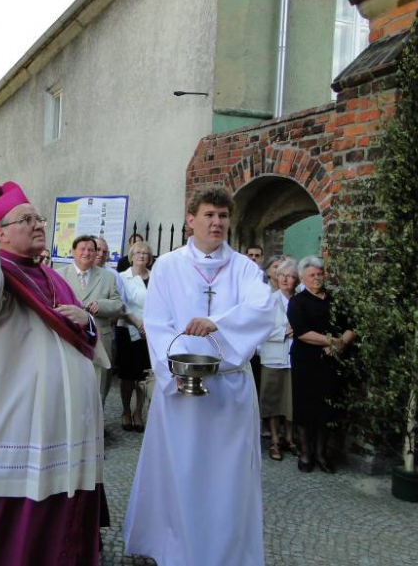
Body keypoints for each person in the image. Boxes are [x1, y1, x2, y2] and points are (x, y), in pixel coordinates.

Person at [0, 170, 104, 565]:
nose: (38, 225)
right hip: (20, 417)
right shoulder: (0, 276)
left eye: (38, 218)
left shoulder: (50, 275)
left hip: (65, 421)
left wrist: (88, 321)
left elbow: (82, 334)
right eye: (26, 219)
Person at [123, 186, 275, 566]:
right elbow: (157, 324)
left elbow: (263, 311)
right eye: (209, 215)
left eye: (223, 216)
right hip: (182, 388)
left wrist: (217, 323)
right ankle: (172, 547)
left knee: (228, 477)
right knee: (181, 470)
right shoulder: (169, 266)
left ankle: (225, 553)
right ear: (190, 219)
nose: (217, 222)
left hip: (230, 389)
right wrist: (174, 373)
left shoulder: (243, 267)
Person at [288, 256, 354, 474]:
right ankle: (306, 453)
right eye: (312, 275)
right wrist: (331, 341)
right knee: (306, 407)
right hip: (306, 362)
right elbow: (302, 332)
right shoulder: (298, 302)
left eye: (320, 274)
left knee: (327, 407)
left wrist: (339, 344)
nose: (317, 278)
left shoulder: (335, 300)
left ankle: (321, 453)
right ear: (303, 278)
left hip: (331, 361)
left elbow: (350, 326)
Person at [58, 235, 122, 407]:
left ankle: (96, 426)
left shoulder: (107, 277)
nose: (87, 253)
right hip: (69, 337)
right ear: (73, 252)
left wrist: (100, 305)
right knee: (68, 381)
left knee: (98, 382)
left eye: (91, 250)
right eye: (82, 249)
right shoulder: (59, 275)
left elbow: (118, 305)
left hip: (100, 338)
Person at [260, 258, 299, 461]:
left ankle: (290, 438)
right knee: (273, 399)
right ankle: (275, 439)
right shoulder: (269, 300)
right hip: (273, 357)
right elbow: (260, 328)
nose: (285, 279)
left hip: (294, 358)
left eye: (291, 276)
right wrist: (282, 332)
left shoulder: (300, 300)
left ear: (296, 280)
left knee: (291, 400)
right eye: (282, 275)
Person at [117, 241, 152, 433]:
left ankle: (138, 412)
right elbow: (121, 304)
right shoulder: (122, 277)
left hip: (149, 333)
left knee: (143, 375)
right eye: (138, 252)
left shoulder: (155, 277)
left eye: (146, 253)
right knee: (128, 375)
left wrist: (149, 326)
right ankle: (125, 411)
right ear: (131, 255)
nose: (142, 255)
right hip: (128, 330)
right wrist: (138, 324)